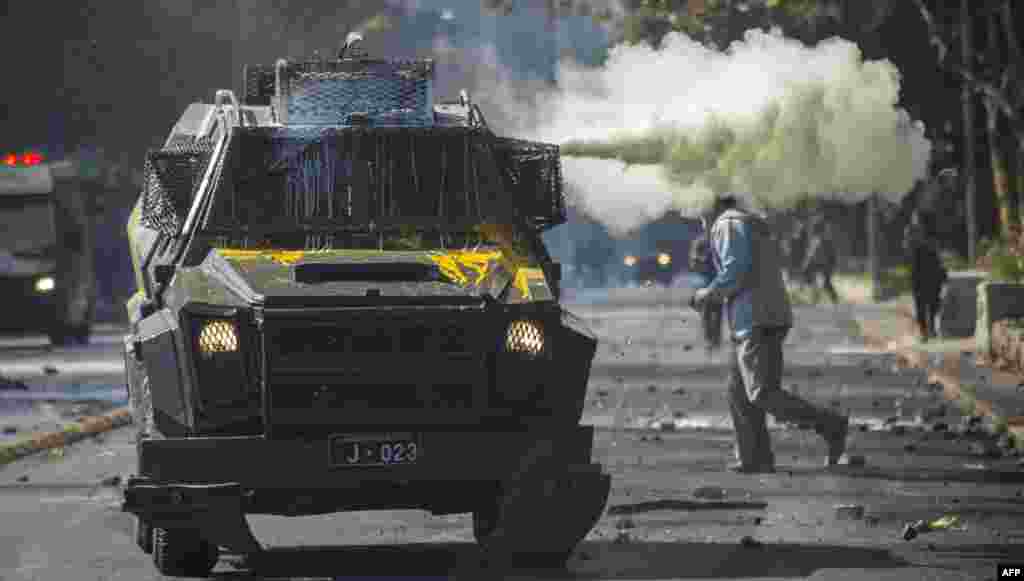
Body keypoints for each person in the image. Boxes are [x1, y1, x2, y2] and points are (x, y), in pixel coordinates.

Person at [690, 194, 850, 473]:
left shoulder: (727, 224)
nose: (698, 218)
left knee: (762, 393)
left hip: (755, 319)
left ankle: (831, 425)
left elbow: (735, 271)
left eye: (699, 211)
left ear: (711, 201)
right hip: (760, 316)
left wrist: (707, 295)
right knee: (739, 393)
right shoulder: (743, 221)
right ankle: (755, 458)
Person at [904, 210, 947, 341]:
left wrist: (923, 242)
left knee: (934, 301)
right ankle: (923, 331)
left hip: (933, 270)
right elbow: (907, 247)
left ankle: (932, 327)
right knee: (920, 303)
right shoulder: (910, 231)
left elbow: (937, 248)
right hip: (917, 270)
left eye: (918, 218)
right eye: (914, 218)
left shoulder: (932, 231)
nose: (916, 220)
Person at [689, 220, 723, 355]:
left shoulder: (720, 241)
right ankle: (710, 340)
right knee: (707, 313)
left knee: (717, 313)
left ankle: (715, 341)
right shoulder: (700, 243)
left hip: (718, 282)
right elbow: (693, 262)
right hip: (705, 283)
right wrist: (699, 261)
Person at [801, 218, 840, 304]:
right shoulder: (821, 239)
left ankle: (824, 298)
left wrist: (806, 262)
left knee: (824, 282)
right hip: (821, 263)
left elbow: (811, 253)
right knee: (822, 281)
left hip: (823, 263)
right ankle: (818, 297)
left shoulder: (821, 240)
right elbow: (811, 253)